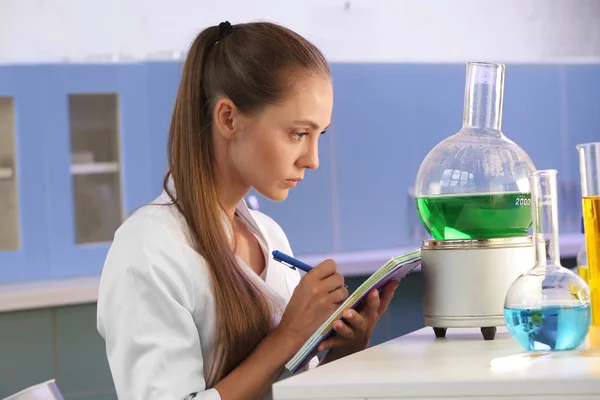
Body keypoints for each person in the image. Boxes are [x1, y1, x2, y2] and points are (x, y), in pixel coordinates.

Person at [96, 20, 400, 400]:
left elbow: (287, 387)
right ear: (228, 118)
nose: (313, 160)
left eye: (320, 134)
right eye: (298, 134)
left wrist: (343, 347)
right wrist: (288, 335)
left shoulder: (269, 236)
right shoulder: (148, 250)